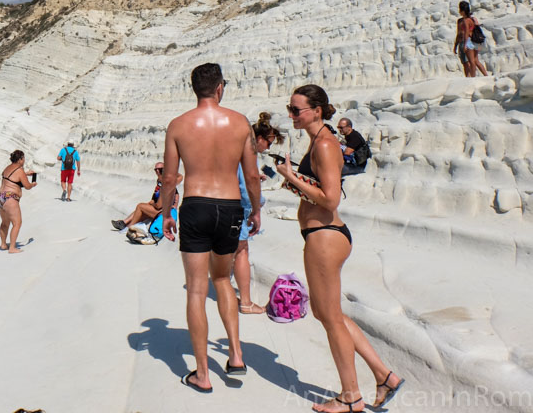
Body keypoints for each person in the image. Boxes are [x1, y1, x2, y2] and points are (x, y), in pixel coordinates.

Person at [276, 85, 402, 413]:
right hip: (323, 235)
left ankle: (350, 397)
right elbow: (318, 191)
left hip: (325, 237)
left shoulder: (326, 145)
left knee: (330, 318)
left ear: (317, 110)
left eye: (296, 110)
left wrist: (292, 176)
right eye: (289, 109)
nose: (291, 115)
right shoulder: (319, 141)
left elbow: (330, 199)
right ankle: (384, 375)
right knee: (329, 314)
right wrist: (294, 182)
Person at [158, 63, 261, 393]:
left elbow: (171, 178)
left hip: (196, 206)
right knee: (222, 279)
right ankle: (236, 354)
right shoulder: (240, 123)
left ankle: (202, 374)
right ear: (219, 87)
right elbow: (253, 175)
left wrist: (166, 213)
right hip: (230, 207)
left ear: (195, 89)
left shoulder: (178, 125)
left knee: (197, 289)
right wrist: (255, 209)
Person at [234, 112, 283, 315]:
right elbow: (246, 188)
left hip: (226, 206)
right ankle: (245, 302)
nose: (268, 148)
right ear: (260, 138)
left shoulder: (237, 152)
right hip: (239, 210)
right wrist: (257, 207)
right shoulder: (249, 155)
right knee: (241, 252)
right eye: (269, 143)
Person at [112, 162, 183, 231]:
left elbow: (159, 206)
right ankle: (124, 223)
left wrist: (153, 204)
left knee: (140, 206)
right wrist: (152, 201)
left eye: (160, 169)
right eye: (156, 169)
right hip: (161, 209)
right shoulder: (159, 181)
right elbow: (175, 192)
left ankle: (129, 227)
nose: (158, 171)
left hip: (163, 212)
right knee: (143, 210)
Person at [0, 149, 36, 254]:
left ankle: (3, 244)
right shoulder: (20, 170)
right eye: (23, 159)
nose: (24, 161)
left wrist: (26, 174)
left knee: (5, 222)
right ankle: (12, 248)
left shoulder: (7, 168)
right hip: (10, 197)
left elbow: (12, 178)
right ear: (20, 159)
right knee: (17, 223)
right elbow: (27, 186)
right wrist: (32, 184)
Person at [453, 1, 489, 77]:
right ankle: (486, 75)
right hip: (477, 41)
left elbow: (461, 33)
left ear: (462, 11)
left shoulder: (463, 21)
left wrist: (458, 45)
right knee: (476, 61)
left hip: (466, 42)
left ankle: (471, 78)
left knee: (468, 62)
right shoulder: (473, 19)